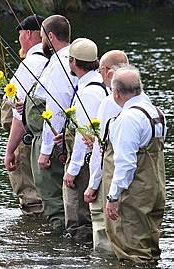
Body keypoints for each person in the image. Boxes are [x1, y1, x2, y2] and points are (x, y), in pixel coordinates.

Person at [103, 65, 166, 263]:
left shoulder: (128, 118)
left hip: (134, 194)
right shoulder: (157, 113)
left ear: (117, 93)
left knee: (132, 253)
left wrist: (113, 197)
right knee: (151, 249)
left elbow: (125, 164)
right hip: (155, 189)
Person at [25, 15, 77, 232]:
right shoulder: (69, 60)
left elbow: (55, 110)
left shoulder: (59, 65)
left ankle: (59, 248)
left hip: (54, 141)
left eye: (43, 35)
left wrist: (45, 151)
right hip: (63, 139)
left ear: (51, 36)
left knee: (53, 199)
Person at [83, 50, 129, 251]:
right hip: (133, 179)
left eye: (101, 70)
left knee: (103, 230)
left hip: (110, 177)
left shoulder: (110, 102)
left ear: (109, 72)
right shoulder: (141, 99)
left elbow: (101, 149)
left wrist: (92, 184)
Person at [62, 38, 107, 241]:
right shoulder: (101, 86)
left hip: (85, 165)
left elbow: (83, 137)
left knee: (78, 220)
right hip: (96, 160)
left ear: (73, 62)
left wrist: (72, 171)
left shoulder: (87, 93)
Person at [3, 15, 47, 215]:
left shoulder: (30, 64)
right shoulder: (59, 61)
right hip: (52, 140)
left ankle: (33, 238)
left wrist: (10, 149)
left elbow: (19, 115)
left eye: (20, 34)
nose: (19, 40)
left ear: (28, 34)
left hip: (29, 141)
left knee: (31, 198)